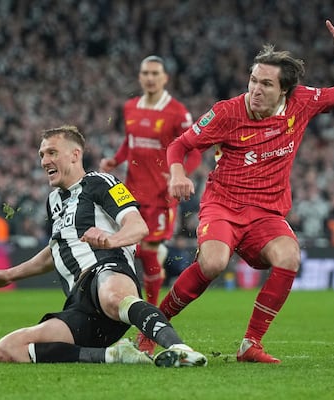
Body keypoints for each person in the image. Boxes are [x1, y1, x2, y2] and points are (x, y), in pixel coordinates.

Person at [152, 20, 334, 363]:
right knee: (212, 262)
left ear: (284, 91)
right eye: (253, 80)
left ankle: (250, 344)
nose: (255, 90)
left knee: (289, 257)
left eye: (266, 84)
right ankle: (151, 329)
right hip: (223, 206)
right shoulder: (227, 112)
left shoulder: (303, 103)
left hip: (266, 214)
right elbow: (179, 146)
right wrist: (177, 174)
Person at [0, 125, 206, 368]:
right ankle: (114, 356)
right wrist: (8, 275)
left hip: (107, 271)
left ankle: (181, 349)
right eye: (41, 155)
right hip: (80, 306)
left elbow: (138, 227)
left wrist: (111, 239)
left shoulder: (101, 182)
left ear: (75, 155)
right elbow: (55, 251)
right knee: (9, 349)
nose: (44, 161)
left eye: (52, 153)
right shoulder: (53, 201)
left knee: (113, 297)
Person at [100, 55, 201, 354]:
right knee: (134, 252)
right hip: (131, 192)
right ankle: (144, 318)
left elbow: (192, 152)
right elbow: (129, 142)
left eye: (155, 73)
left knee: (147, 252)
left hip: (160, 196)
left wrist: (177, 175)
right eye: (145, 73)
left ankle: (149, 326)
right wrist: (114, 161)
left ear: (165, 78)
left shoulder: (177, 112)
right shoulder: (130, 107)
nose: (149, 78)